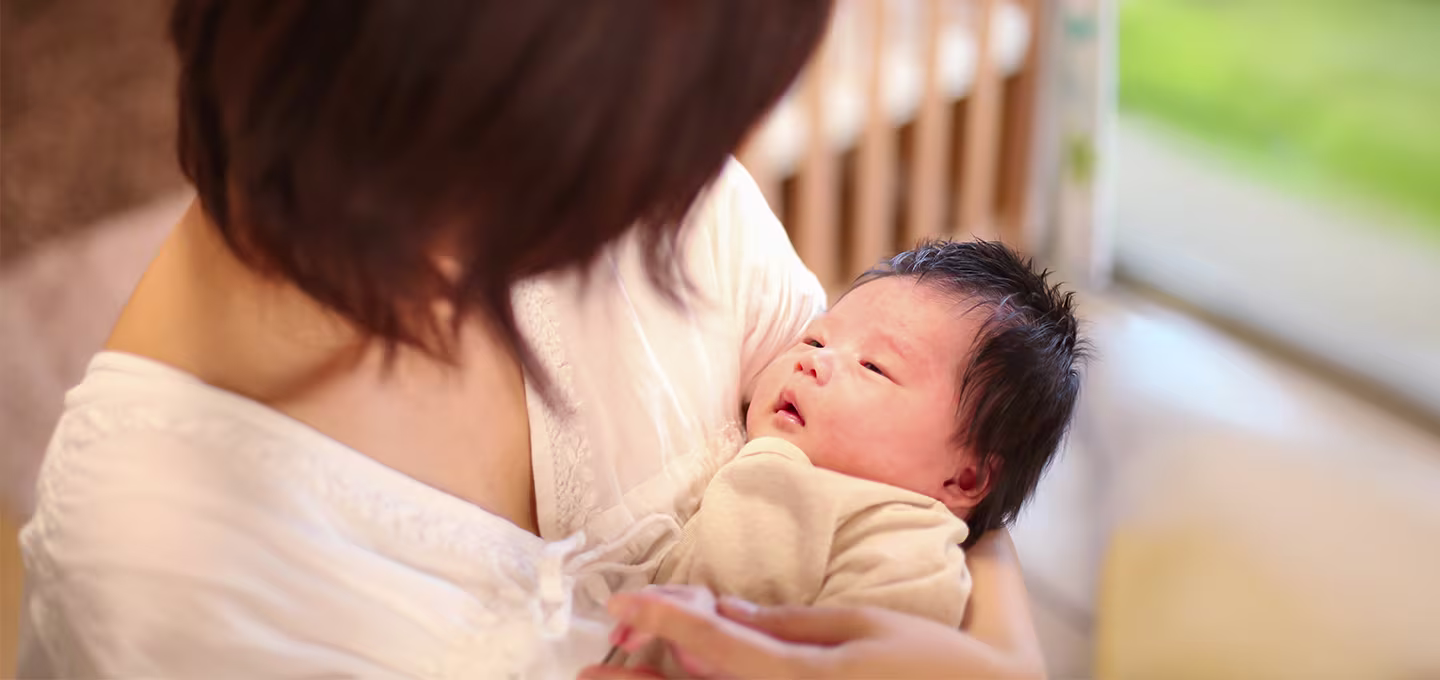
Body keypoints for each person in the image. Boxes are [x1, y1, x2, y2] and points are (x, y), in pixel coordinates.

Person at [16, 2, 1046, 678]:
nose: (706, 166)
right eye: (689, 121)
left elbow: (917, 447)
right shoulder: (179, 576)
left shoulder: (675, 189)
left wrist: (999, 648)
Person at [608, 241, 1085, 676]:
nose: (812, 361)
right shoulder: (774, 451)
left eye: (873, 366)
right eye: (816, 340)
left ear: (964, 477)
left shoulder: (903, 540)